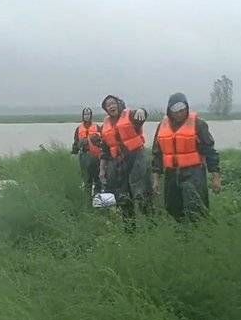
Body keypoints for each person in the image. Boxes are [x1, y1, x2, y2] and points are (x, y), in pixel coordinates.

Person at [151, 93, 221, 222]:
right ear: (169, 111)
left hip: (194, 172)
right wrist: (156, 180)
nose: (179, 114)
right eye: (175, 111)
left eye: (182, 110)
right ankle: (182, 237)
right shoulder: (162, 126)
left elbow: (210, 152)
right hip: (171, 173)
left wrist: (216, 177)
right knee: (172, 208)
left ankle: (200, 235)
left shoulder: (199, 124)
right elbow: (157, 154)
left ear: (187, 108)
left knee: (196, 208)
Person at [98, 95, 152, 224]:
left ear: (118, 104)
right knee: (123, 197)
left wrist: (142, 110)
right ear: (106, 109)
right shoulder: (105, 126)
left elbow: (142, 115)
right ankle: (129, 229)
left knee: (141, 194)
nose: (111, 106)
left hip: (137, 158)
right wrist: (102, 169)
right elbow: (105, 151)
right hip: (119, 163)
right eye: (107, 105)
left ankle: (150, 225)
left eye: (112, 103)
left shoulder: (130, 115)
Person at [71, 107, 102, 200]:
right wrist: (74, 152)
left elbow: (103, 141)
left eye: (88, 114)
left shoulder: (97, 127)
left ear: (91, 116)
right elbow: (76, 142)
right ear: (83, 116)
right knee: (86, 178)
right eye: (85, 114)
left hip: (95, 156)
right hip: (84, 156)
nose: (87, 116)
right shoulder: (78, 128)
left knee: (97, 178)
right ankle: (87, 198)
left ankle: (97, 197)